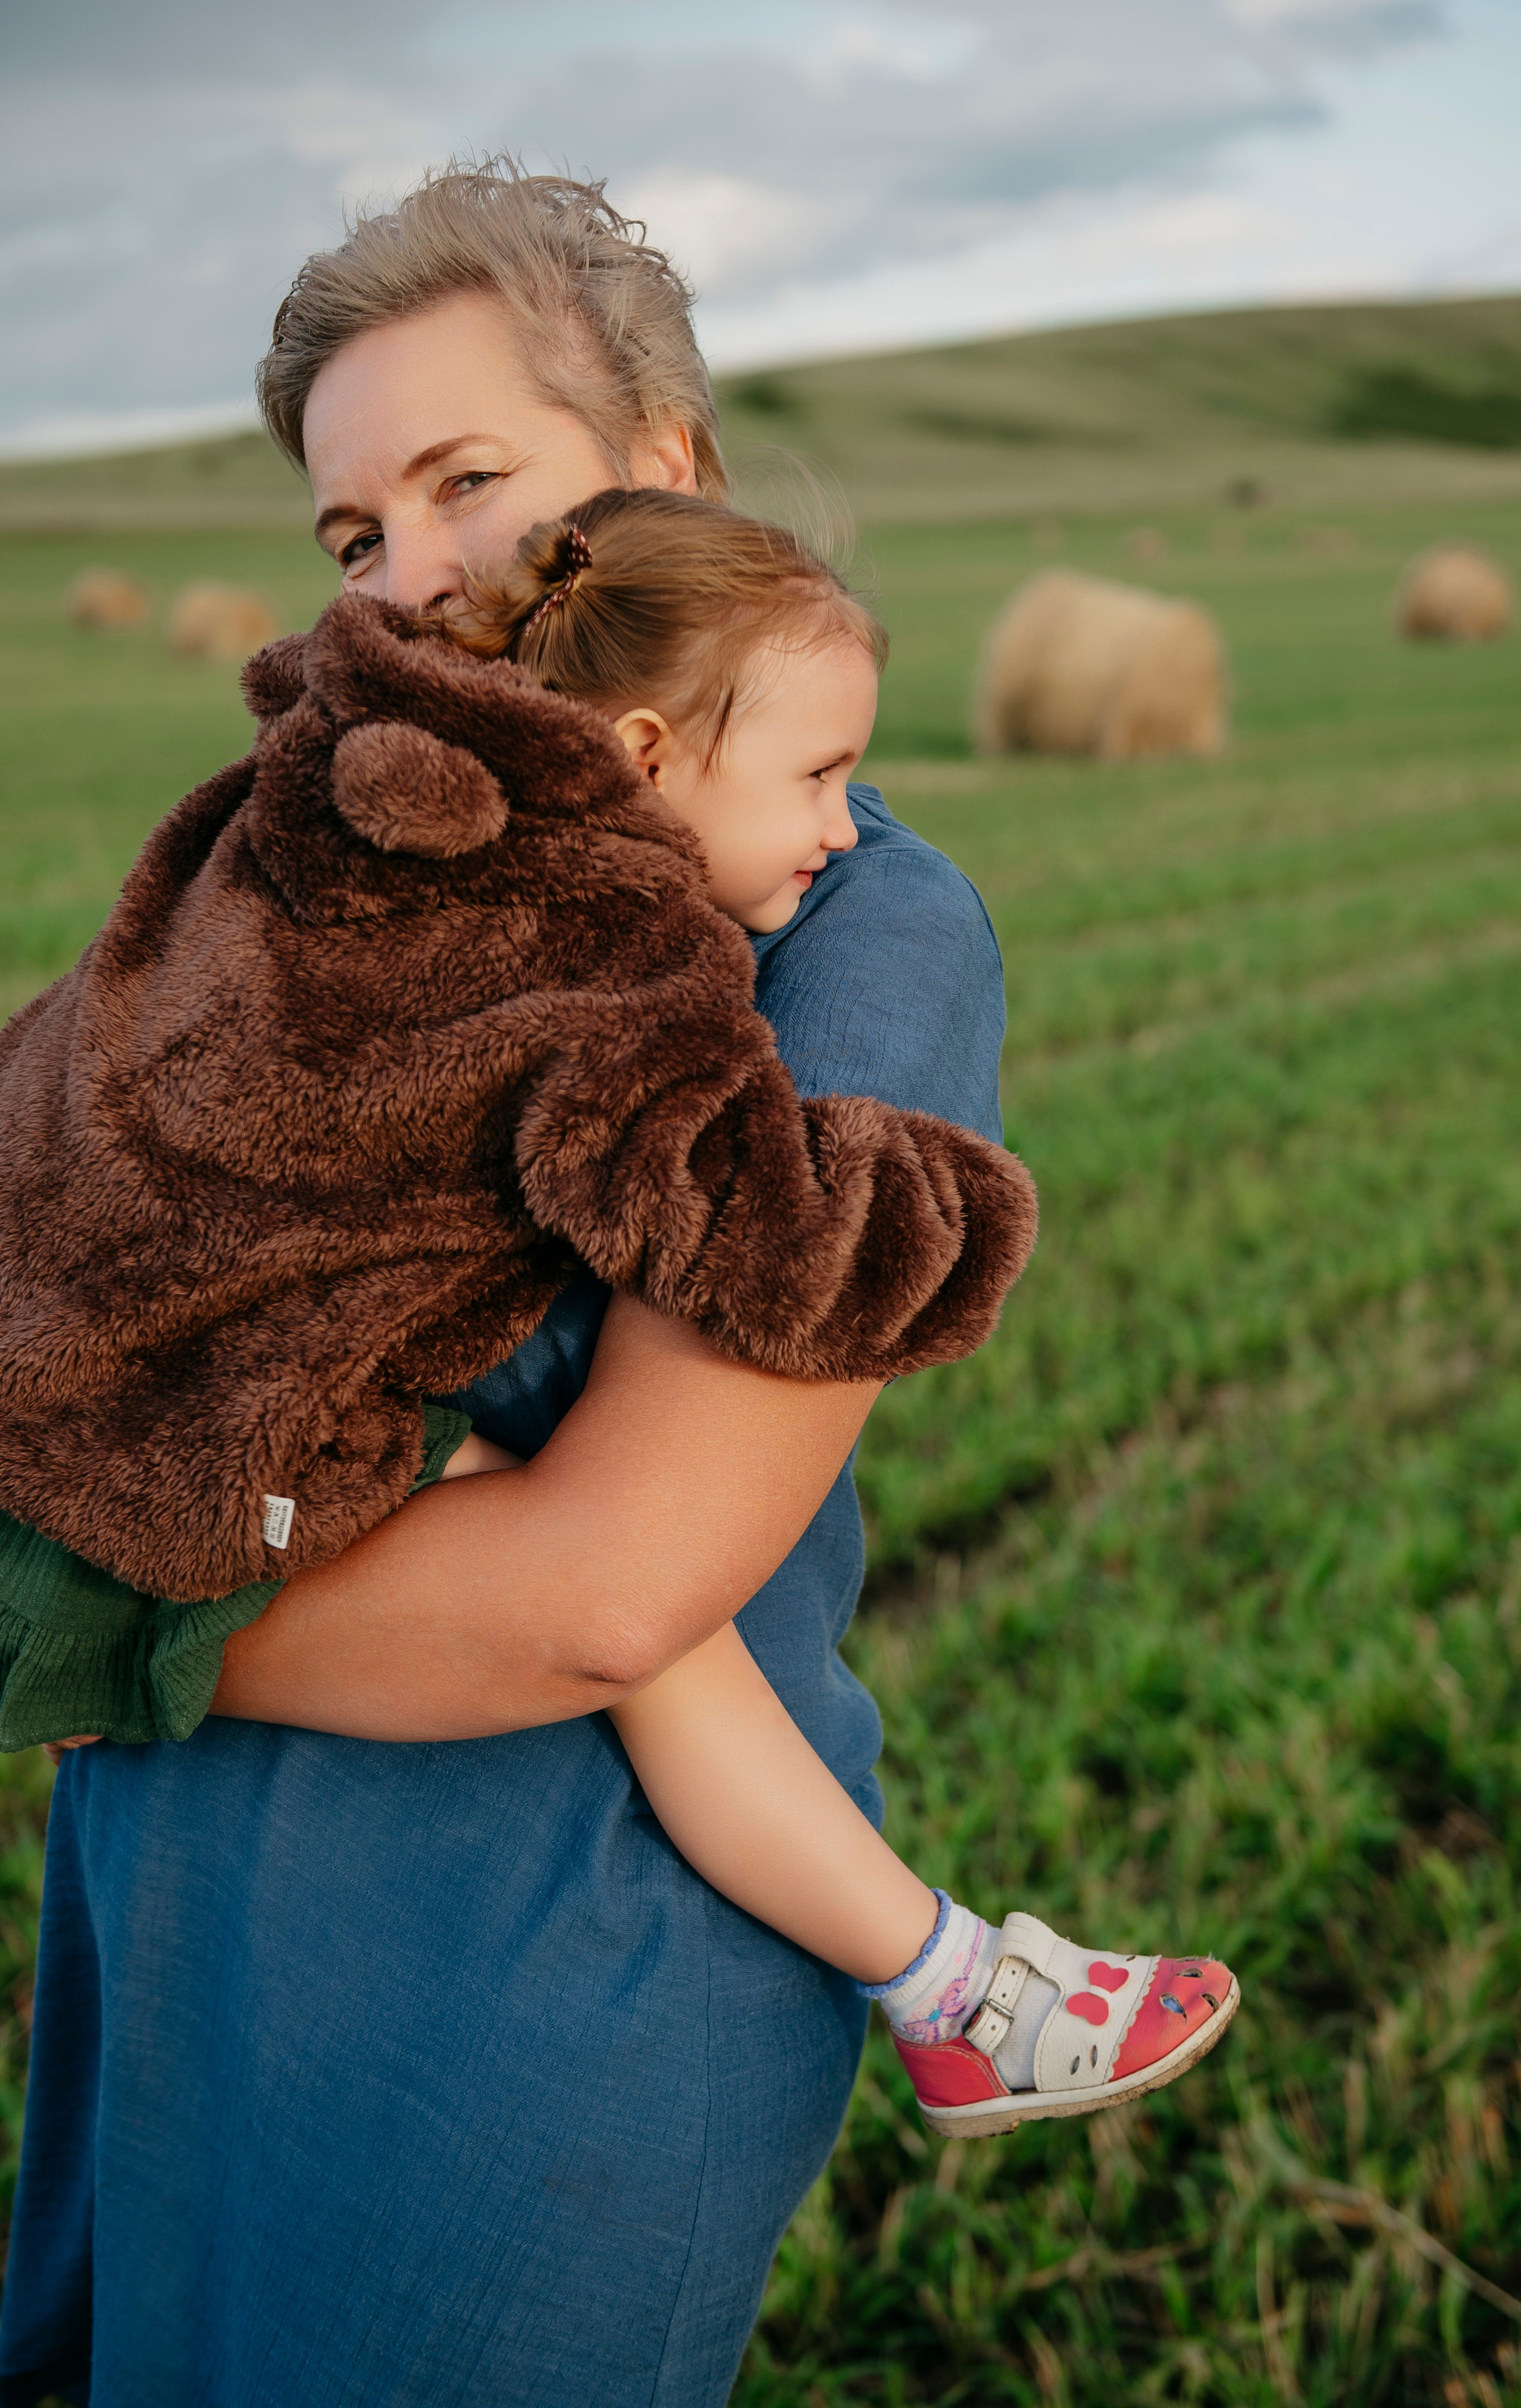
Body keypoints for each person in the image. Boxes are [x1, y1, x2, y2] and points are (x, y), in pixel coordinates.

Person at [0, 165, 1227, 2408]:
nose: (417, 573)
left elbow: (603, 1590)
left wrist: (96, 1603)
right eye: (354, 535)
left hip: (521, 1984)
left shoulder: (833, 926)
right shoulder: (345, 855)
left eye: (475, 480)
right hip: (179, 1936)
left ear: (668, 476)